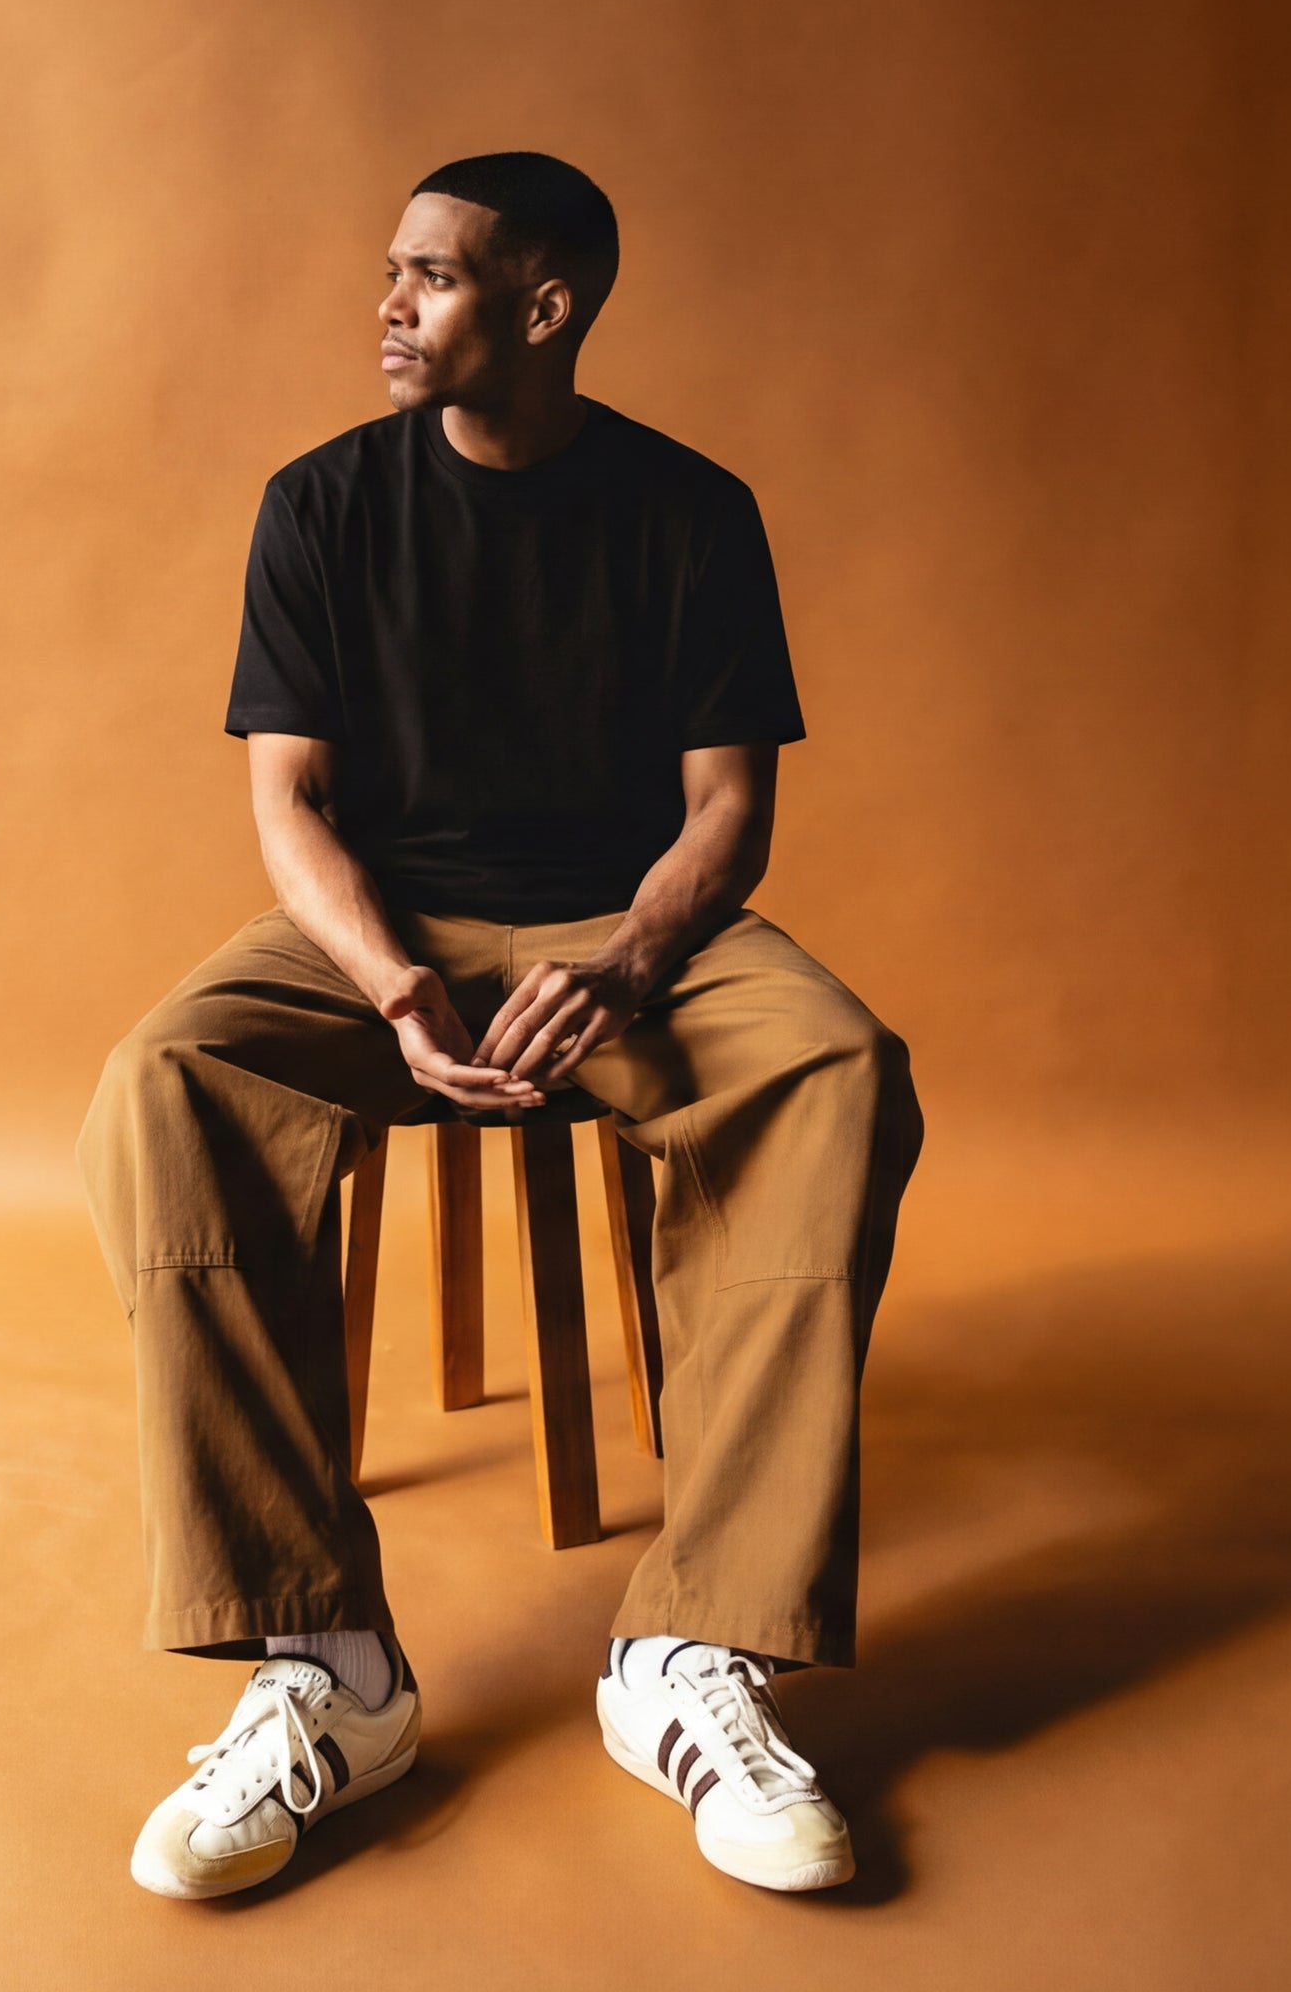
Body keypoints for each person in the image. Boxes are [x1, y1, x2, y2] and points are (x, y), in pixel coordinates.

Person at [78, 151, 924, 1900]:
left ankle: (693, 1648)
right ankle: (328, 1663)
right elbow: (291, 805)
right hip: (380, 931)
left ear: (546, 309)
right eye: (390, 272)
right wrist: (391, 979)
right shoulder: (320, 505)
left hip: (629, 934)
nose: (389, 306)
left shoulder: (691, 512)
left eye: (434, 277)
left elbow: (727, 813)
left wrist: (628, 957)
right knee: (166, 1076)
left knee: (839, 1066)